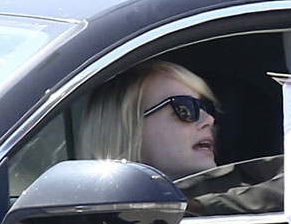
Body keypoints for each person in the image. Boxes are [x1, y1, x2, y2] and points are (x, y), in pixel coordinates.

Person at [78, 60, 220, 180]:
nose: (209, 119)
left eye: (206, 107)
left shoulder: (234, 205)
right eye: (185, 109)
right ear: (128, 129)